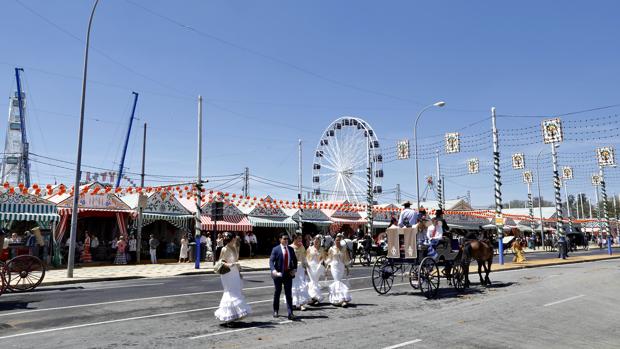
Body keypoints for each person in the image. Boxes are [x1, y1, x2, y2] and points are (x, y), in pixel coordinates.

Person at [214, 232, 252, 324]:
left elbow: (236, 260)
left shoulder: (235, 247)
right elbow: (220, 262)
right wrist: (231, 264)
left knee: (236, 291)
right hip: (227, 273)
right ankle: (228, 317)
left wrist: (239, 272)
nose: (236, 239)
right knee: (230, 293)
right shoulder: (224, 249)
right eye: (234, 237)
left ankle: (234, 315)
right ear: (232, 239)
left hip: (234, 272)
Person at [269, 232, 297, 320]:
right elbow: (271, 261)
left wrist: (294, 269)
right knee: (277, 292)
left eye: (287, 239)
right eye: (284, 239)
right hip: (278, 275)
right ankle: (275, 310)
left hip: (288, 274)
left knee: (288, 294)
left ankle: (290, 313)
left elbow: (295, 261)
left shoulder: (291, 249)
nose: (286, 240)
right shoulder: (275, 249)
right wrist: (274, 271)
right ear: (280, 239)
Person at [326, 234, 351, 307]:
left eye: (339, 240)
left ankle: (340, 299)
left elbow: (346, 259)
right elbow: (329, 259)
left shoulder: (343, 248)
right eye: (336, 240)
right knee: (337, 281)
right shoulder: (331, 249)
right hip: (334, 266)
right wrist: (327, 267)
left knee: (339, 281)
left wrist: (347, 268)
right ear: (334, 241)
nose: (337, 241)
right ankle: (340, 299)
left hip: (341, 266)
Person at [289, 233, 310, 311]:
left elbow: (304, 258)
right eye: (299, 238)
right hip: (293, 269)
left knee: (301, 285)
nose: (300, 240)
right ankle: (294, 303)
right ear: (294, 239)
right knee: (293, 286)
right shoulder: (290, 247)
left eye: (301, 238)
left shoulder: (302, 247)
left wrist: (306, 268)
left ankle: (301, 304)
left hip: (300, 268)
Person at [306, 235, 326, 304]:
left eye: (317, 241)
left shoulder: (322, 249)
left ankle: (314, 297)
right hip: (310, 266)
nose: (316, 243)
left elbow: (324, 258)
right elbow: (307, 258)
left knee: (315, 281)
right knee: (313, 281)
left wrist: (325, 267)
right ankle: (313, 297)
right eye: (315, 241)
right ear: (313, 242)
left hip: (318, 267)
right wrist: (306, 267)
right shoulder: (309, 248)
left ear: (320, 242)